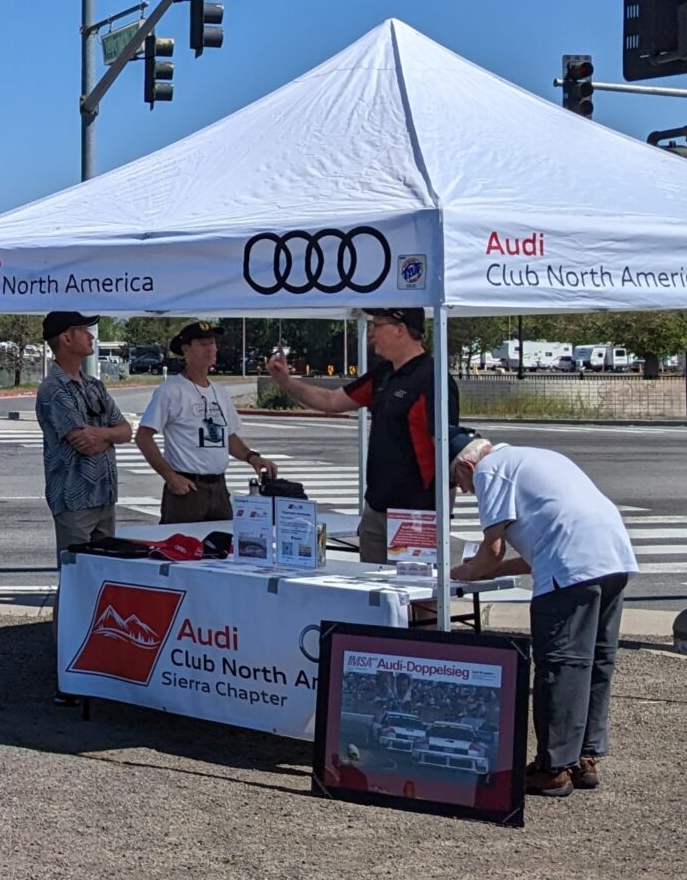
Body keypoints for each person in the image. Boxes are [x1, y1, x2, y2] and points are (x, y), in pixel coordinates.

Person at [450, 438, 638, 797]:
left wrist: (469, 572)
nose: (463, 489)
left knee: (561, 663)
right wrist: (489, 571)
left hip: (571, 565)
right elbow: (535, 551)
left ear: (467, 465)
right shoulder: (531, 457)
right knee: (596, 660)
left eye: (458, 480)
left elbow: (493, 547)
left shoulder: (490, 470)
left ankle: (553, 766)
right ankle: (585, 755)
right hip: (612, 553)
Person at [263, 307, 459, 563]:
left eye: (378, 326)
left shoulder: (433, 379)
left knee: (416, 597)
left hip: (416, 514)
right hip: (376, 509)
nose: (371, 334)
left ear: (401, 330)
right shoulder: (384, 374)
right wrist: (286, 382)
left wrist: (445, 516)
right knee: (373, 595)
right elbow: (332, 401)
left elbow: (448, 453)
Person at [137, 320, 277, 522]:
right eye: (203, 344)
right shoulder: (171, 390)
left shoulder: (219, 391)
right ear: (186, 350)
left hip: (219, 488)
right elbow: (143, 437)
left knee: (223, 547)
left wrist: (252, 457)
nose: (210, 349)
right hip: (187, 488)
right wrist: (170, 477)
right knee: (183, 546)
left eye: (212, 343)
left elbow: (227, 436)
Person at [34, 310, 132, 556]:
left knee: (103, 578)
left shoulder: (94, 385)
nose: (91, 336)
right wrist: (110, 435)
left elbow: (126, 431)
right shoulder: (53, 390)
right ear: (66, 338)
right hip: (74, 500)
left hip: (104, 497)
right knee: (76, 579)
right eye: (84, 331)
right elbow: (85, 444)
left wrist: (103, 435)